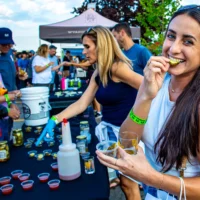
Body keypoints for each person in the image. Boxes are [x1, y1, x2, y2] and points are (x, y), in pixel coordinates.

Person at [97, 5, 200, 200]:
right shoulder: (156, 84)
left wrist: (151, 178)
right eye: (171, 36)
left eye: (187, 41)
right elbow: (127, 142)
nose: (173, 48)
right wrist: (145, 96)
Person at [35, 26, 143, 186]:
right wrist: (54, 119)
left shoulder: (117, 67)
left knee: (129, 184)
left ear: (102, 45)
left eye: (87, 46)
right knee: (125, 184)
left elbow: (151, 89)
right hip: (111, 132)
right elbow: (82, 103)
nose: (84, 52)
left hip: (126, 135)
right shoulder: (99, 71)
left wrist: (142, 120)